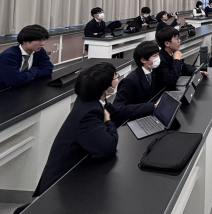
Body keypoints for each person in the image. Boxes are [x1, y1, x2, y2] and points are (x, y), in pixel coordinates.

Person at [28, 62, 150, 206]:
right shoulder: (89, 113)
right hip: (62, 184)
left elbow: (118, 111)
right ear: (105, 87)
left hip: (74, 174)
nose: (117, 78)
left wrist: (152, 107)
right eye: (115, 77)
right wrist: (108, 122)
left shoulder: (91, 100)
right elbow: (108, 147)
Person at [0, 24, 54, 97]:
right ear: (25, 41)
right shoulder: (8, 56)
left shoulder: (39, 51)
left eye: (43, 40)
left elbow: (48, 69)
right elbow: (16, 81)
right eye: (39, 40)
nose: (42, 43)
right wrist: (35, 69)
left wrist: (26, 77)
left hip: (19, 90)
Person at [155, 27, 208, 91]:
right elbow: (171, 81)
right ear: (167, 43)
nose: (179, 41)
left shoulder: (171, 53)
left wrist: (196, 71)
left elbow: (183, 66)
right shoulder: (160, 60)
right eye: (176, 39)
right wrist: (176, 60)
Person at [114, 41, 162, 108]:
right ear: (143, 60)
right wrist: (151, 106)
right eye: (154, 56)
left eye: (158, 54)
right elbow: (118, 108)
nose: (158, 58)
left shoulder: (153, 72)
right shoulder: (129, 81)